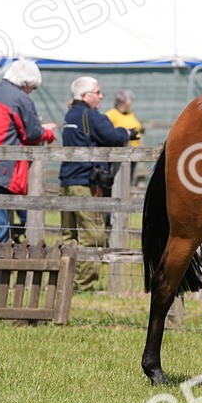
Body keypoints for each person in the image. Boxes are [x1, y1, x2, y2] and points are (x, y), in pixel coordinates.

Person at [0, 59, 55, 247]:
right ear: (26, 83)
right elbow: (32, 133)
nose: (31, 91)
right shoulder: (20, 99)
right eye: (32, 87)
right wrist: (48, 132)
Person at [61, 77, 136, 292]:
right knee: (93, 235)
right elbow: (111, 135)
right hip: (86, 183)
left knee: (69, 234)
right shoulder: (92, 116)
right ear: (85, 96)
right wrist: (128, 133)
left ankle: (66, 280)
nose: (102, 96)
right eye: (97, 92)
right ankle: (82, 286)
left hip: (67, 181)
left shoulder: (70, 115)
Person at [106, 89, 143, 182]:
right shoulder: (111, 114)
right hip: (120, 152)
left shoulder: (130, 113)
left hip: (134, 151)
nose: (131, 102)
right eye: (129, 99)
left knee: (128, 179)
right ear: (123, 101)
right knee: (119, 180)